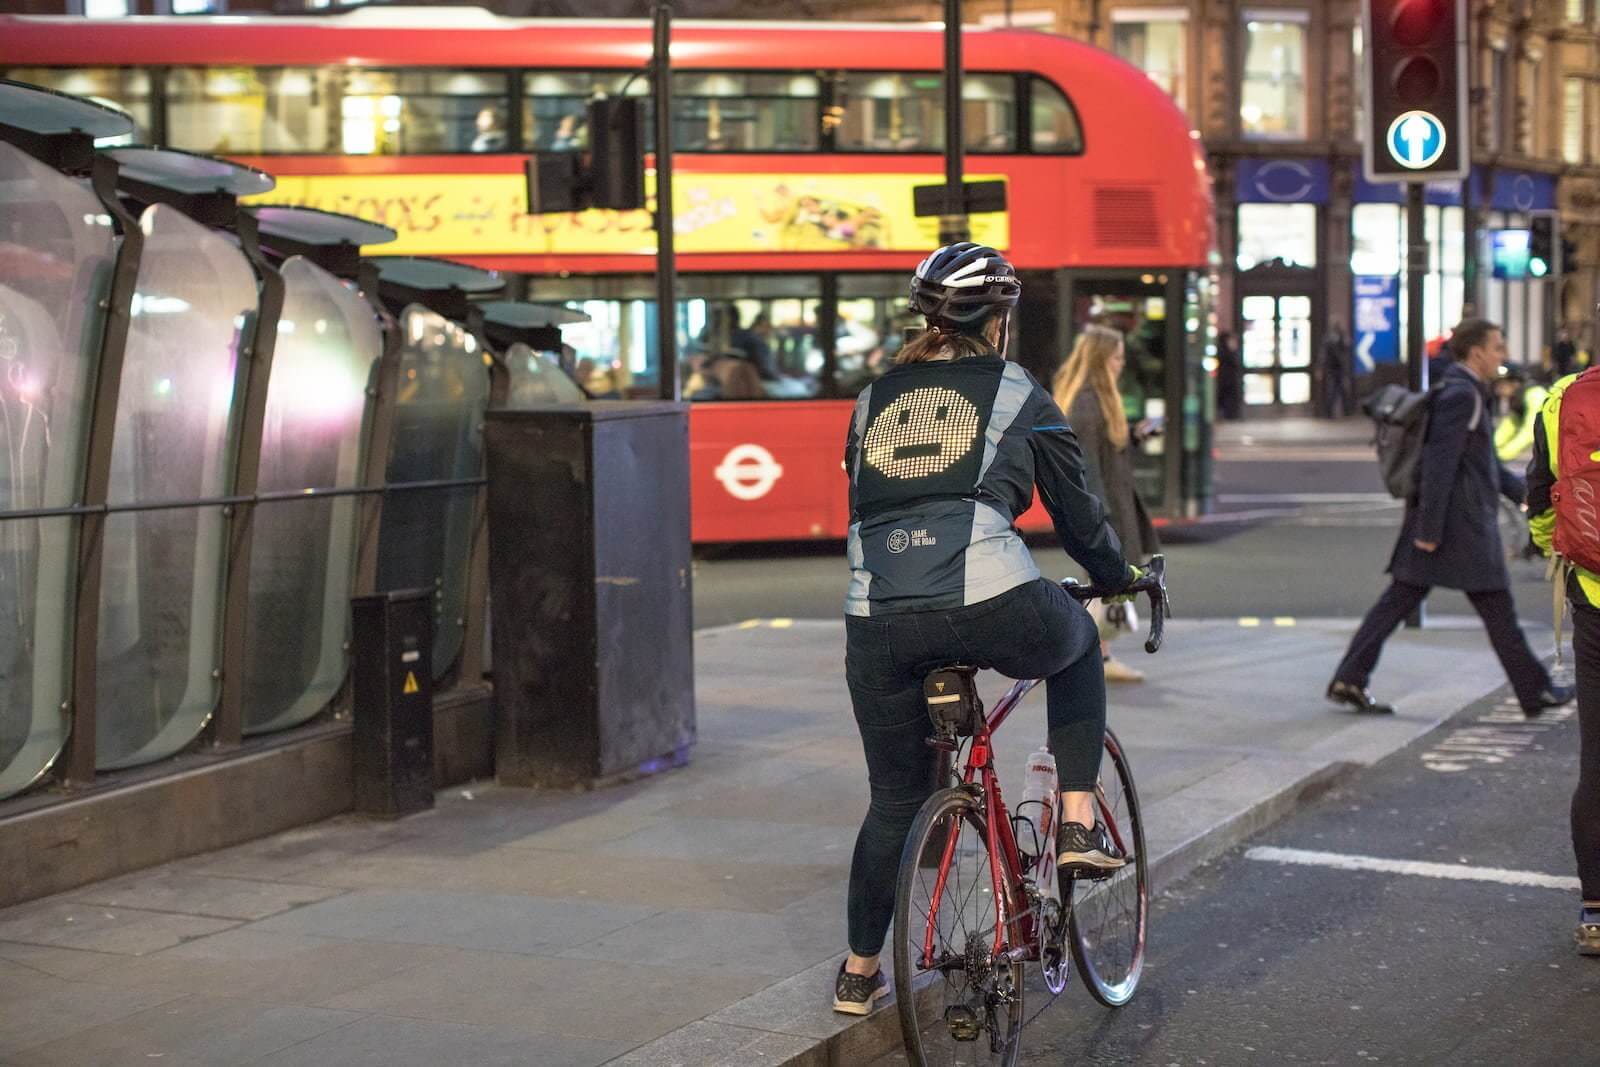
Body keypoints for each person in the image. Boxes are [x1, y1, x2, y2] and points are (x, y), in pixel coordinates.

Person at [833, 242, 1141, 1015]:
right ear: (1000, 320)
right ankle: (1075, 821)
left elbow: (865, 497)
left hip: (878, 616)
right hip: (991, 596)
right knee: (1074, 641)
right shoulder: (1015, 389)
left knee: (892, 801)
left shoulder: (873, 397)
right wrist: (1114, 576)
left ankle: (857, 972)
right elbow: (1077, 513)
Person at [1327, 318, 1574, 716]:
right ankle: (1536, 691)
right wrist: (1428, 530)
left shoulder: (1468, 392)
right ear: (1476, 352)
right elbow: (1440, 465)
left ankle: (1350, 677)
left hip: (1449, 524)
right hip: (1459, 526)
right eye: (1497, 347)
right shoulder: (1463, 395)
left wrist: (1529, 497)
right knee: (1495, 607)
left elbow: (1484, 463)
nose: (1502, 355)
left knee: (1399, 601)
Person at [1525, 366, 1600, 955]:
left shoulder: (1562, 398)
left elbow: (1539, 496)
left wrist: (1557, 545)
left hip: (1594, 596)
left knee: (1596, 761)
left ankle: (1595, 912)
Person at [1052, 324, 1162, 683]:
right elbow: (1086, 465)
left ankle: (1100, 655)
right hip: (1106, 505)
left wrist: (1134, 433)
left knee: (1107, 584)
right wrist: (1102, 520)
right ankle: (1096, 658)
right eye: (1116, 358)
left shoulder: (1093, 399)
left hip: (1109, 502)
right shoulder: (1087, 403)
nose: (1121, 364)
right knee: (1105, 582)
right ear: (1101, 360)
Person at [1322, 321, 1351, 418]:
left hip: (1334, 368)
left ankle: (1341, 412)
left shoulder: (1331, 338)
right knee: (1336, 390)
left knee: (1338, 390)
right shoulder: (1333, 339)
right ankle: (1334, 412)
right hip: (1336, 368)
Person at [1216, 330, 1243, 421]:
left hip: (1228, 381)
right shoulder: (1225, 353)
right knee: (1227, 400)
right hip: (1226, 381)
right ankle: (1228, 416)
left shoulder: (1228, 352)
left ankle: (1230, 415)